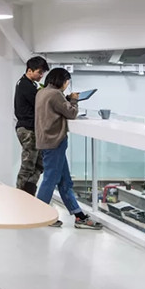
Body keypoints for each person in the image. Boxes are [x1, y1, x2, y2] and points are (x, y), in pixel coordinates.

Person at [35, 68, 103, 230]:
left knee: (65, 181)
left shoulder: (42, 92)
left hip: (46, 141)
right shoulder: (55, 94)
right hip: (54, 142)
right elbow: (71, 113)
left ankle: (79, 216)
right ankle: (40, 215)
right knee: (50, 179)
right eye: (67, 82)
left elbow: (54, 109)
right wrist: (73, 100)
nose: (67, 85)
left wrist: (66, 99)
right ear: (62, 81)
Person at [14, 56, 50, 196]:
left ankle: (28, 193)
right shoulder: (26, 85)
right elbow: (41, 104)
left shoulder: (27, 84)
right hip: (28, 129)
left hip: (30, 128)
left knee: (38, 165)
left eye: (43, 73)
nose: (41, 76)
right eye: (39, 72)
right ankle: (20, 196)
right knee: (28, 166)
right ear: (29, 70)